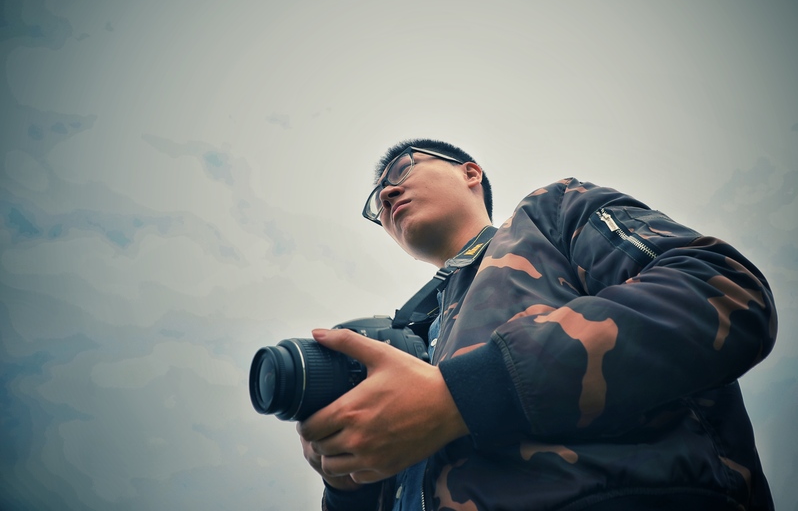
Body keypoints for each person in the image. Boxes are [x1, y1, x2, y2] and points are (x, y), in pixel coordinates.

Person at [297, 138, 777, 511]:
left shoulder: (551, 213)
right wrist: (348, 478)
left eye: (403, 169)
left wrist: (462, 395)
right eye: (377, 202)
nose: (387, 193)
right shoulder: (408, 338)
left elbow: (723, 291)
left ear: (470, 173)